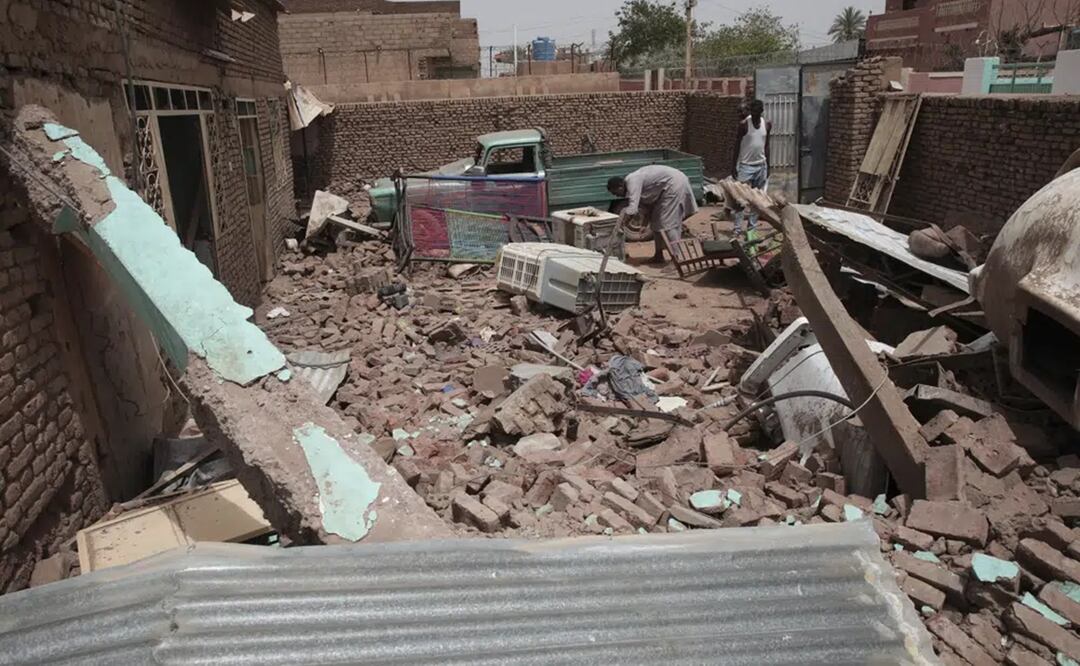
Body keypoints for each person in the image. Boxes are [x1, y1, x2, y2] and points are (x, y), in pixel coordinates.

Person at [607, 165, 698, 264]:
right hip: (667, 187)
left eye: (615, 193)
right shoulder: (634, 184)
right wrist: (644, 224)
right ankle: (658, 256)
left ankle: (676, 259)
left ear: (620, 186)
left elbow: (632, 209)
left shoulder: (632, 181)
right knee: (655, 223)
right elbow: (648, 205)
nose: (616, 196)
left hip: (674, 184)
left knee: (668, 224)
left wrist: (621, 223)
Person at [732, 99, 771, 235]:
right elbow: (737, 146)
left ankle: (751, 229)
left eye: (757, 112)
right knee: (740, 199)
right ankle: (737, 229)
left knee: (756, 200)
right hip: (745, 166)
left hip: (761, 166)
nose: (754, 115)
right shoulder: (744, 125)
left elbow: (767, 145)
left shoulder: (767, 124)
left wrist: (768, 165)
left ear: (761, 112)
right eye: (752, 112)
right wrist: (733, 165)